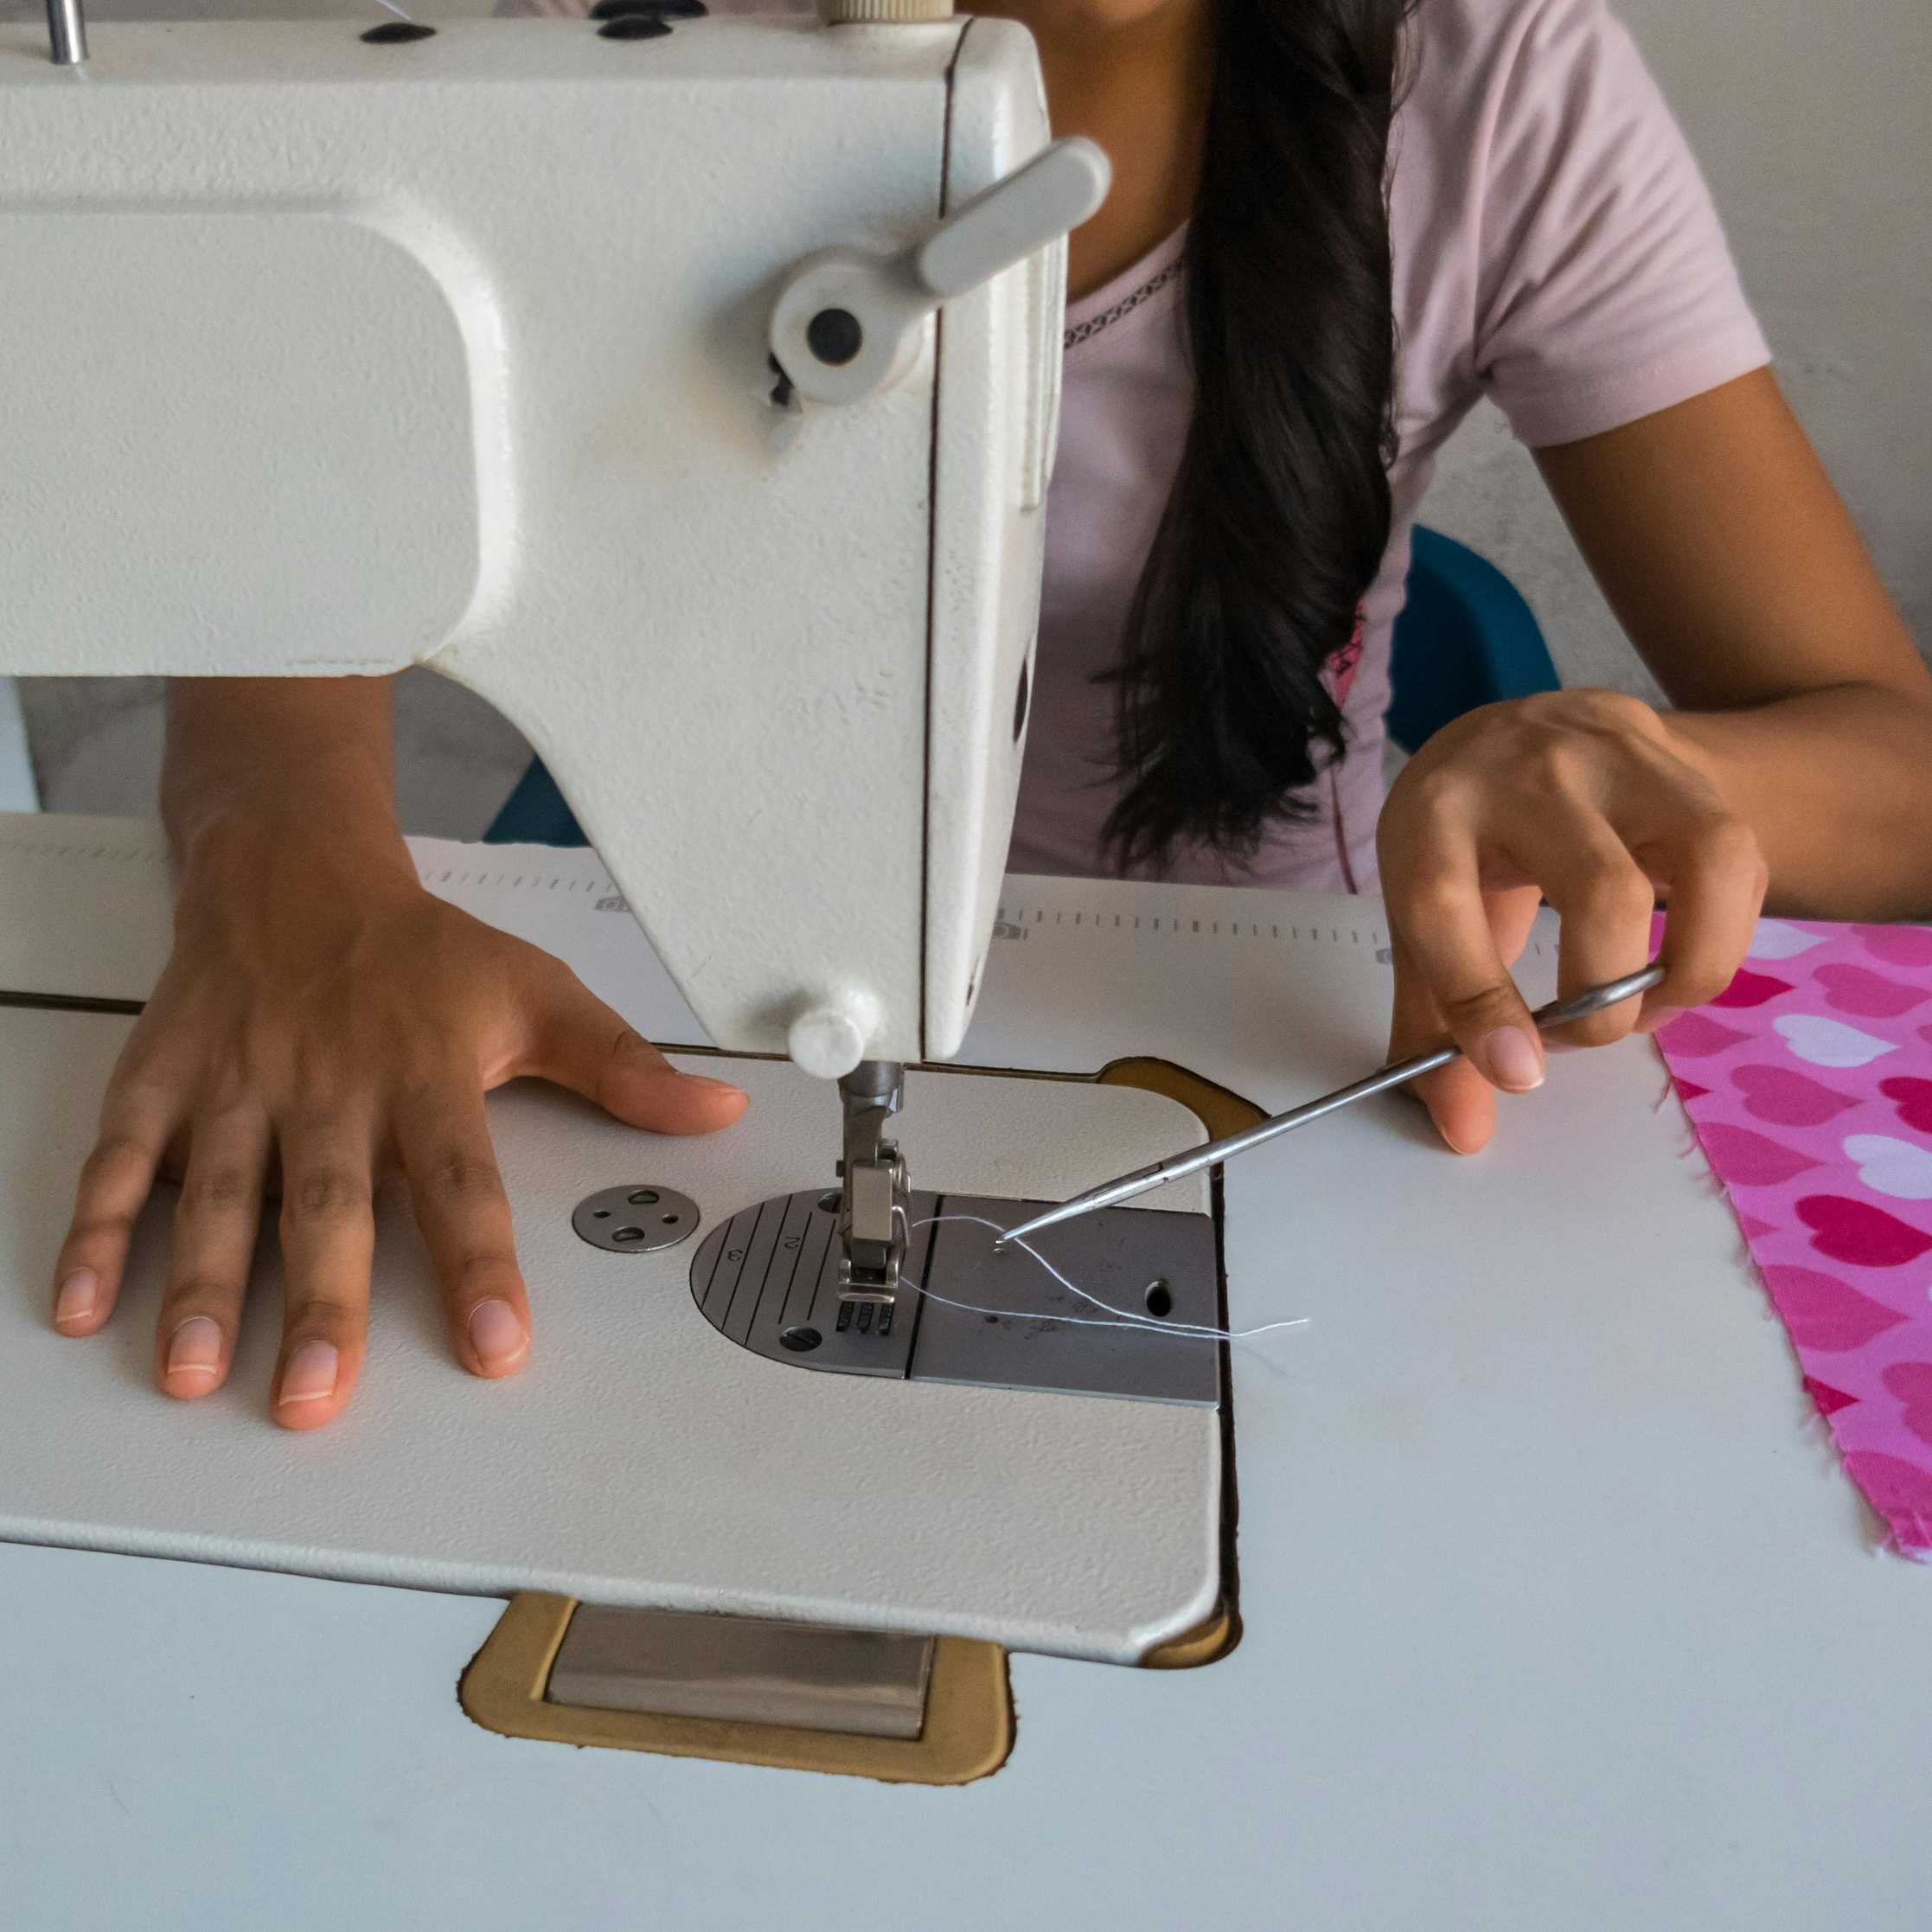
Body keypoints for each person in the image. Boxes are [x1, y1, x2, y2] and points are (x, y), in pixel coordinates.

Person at [49, 0, 1932, 1430]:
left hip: (1294, 1012)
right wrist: (288, 866)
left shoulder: (1490, 81)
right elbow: (295, 572)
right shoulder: (591, 60)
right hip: (658, 964)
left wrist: (1660, 766)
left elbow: (1894, 769)